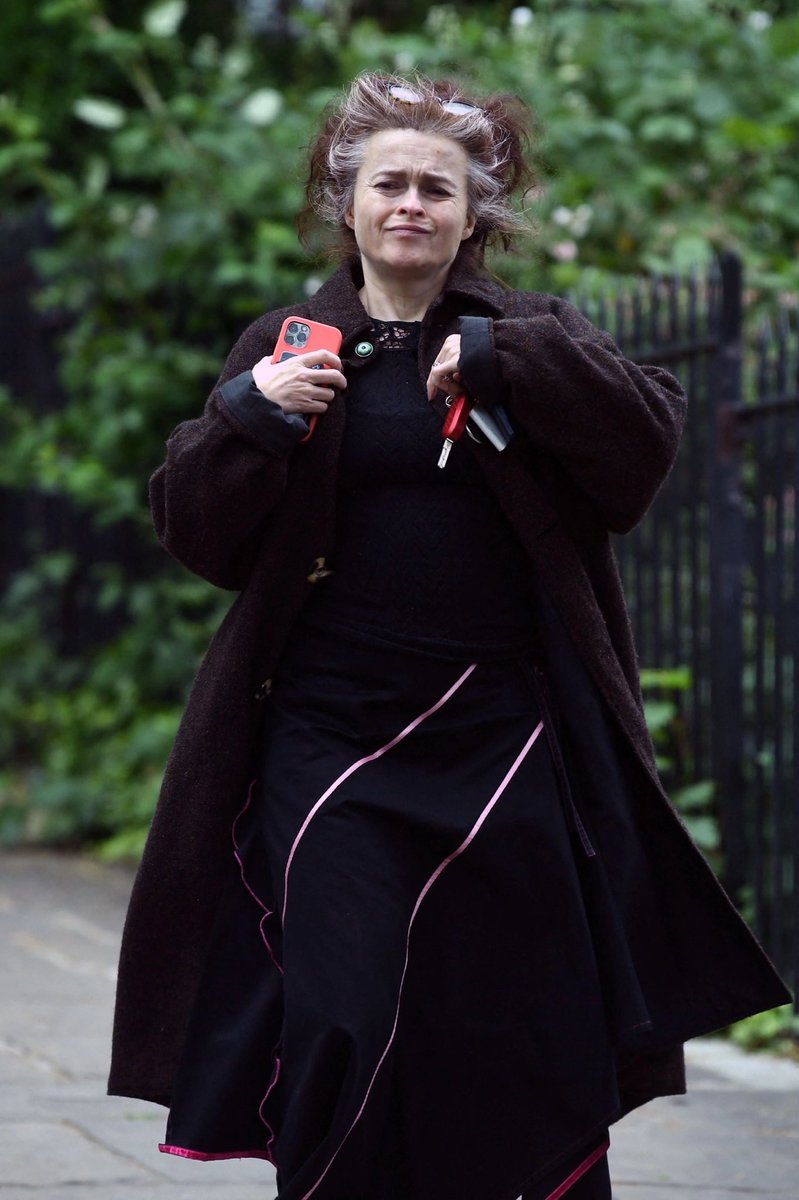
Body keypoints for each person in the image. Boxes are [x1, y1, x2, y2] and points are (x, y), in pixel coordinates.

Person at [108, 71, 790, 1200]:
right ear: (349, 203)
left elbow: (640, 456)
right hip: (327, 736)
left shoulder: (527, 329)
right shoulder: (287, 341)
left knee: (514, 1017)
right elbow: (194, 533)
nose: (411, 204)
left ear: (476, 213)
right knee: (339, 1003)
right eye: (389, 184)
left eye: (438, 186)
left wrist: (505, 365)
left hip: (501, 733)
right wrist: (251, 416)